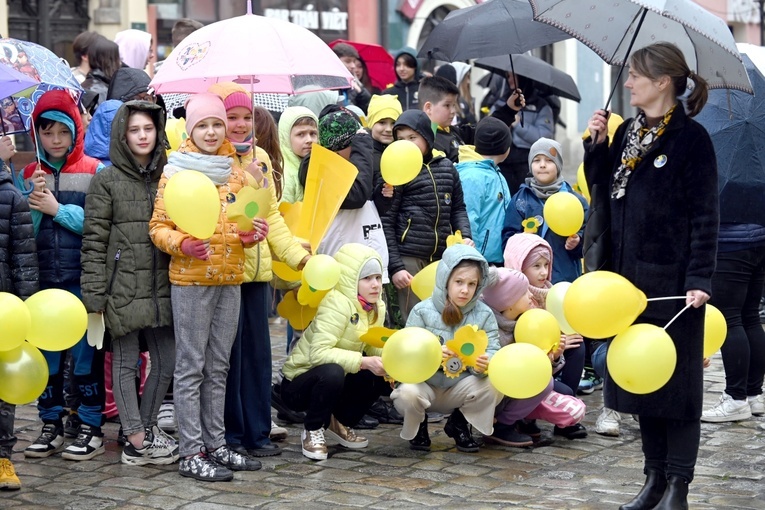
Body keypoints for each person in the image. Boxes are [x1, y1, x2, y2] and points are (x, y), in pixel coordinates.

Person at [584, 42, 719, 509]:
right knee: (642, 379)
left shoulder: (692, 139)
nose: (628, 82)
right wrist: (597, 145)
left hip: (675, 286)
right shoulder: (627, 133)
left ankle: (678, 485)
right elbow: (605, 189)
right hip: (628, 284)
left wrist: (699, 277)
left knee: (676, 386)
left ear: (663, 81)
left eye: (636, 75)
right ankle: (653, 480)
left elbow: (706, 214)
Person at [149, 93, 266, 481]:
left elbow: (237, 223)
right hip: (191, 280)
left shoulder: (235, 170)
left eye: (217, 124)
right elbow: (158, 227)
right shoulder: (176, 171)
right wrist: (181, 243)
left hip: (230, 277)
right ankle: (190, 452)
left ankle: (216, 445)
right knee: (191, 367)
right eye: (203, 125)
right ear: (190, 129)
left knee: (219, 365)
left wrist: (250, 236)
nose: (213, 131)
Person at [208, 82, 310, 458]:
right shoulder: (211, 159)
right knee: (228, 359)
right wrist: (243, 178)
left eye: (245, 117)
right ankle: (231, 434)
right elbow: (214, 215)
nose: (238, 124)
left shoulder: (262, 157)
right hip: (225, 272)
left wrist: (296, 256)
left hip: (257, 275)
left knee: (257, 357)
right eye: (231, 117)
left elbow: (270, 216)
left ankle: (258, 432)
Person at [80, 100, 178, 466]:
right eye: (134, 130)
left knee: (166, 360)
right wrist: (95, 295)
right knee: (125, 362)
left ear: (157, 132)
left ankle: (147, 428)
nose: (142, 136)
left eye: (148, 129)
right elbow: (93, 241)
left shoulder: (170, 173)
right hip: (120, 288)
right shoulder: (106, 180)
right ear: (123, 135)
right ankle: (136, 438)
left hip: (161, 285)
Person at [20, 90, 106, 461]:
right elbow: (24, 230)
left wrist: (57, 209)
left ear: (76, 132)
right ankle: (51, 422)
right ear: (37, 135)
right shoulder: (28, 173)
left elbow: (102, 227)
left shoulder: (93, 171)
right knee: (48, 359)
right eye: (47, 132)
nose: (55, 140)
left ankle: (90, 425)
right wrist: (35, 203)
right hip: (43, 282)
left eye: (62, 132)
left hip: (81, 280)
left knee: (85, 359)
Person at [279, 244, 390, 460]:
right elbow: (318, 354)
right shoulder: (336, 304)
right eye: (367, 278)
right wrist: (365, 362)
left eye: (378, 277)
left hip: (337, 378)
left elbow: (373, 346)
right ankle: (312, 430)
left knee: (380, 375)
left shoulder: (376, 306)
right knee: (334, 371)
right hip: (299, 384)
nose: (375, 285)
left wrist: (390, 364)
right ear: (351, 279)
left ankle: (338, 423)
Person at [391, 244, 502, 452]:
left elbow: (494, 348)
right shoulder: (422, 310)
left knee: (495, 384)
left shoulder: (485, 314)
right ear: (445, 280)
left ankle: (459, 423)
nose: (465, 290)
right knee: (406, 393)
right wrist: (431, 354)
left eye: (472, 284)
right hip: (425, 386)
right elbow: (405, 352)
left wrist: (484, 363)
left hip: (460, 387)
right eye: (459, 282)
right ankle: (418, 426)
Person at [381, 109, 473, 323]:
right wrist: (396, 267)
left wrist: (464, 235)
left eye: (413, 138)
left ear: (427, 137)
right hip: (409, 257)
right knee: (412, 318)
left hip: (441, 256)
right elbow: (387, 221)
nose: (407, 144)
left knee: (440, 317)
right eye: (401, 139)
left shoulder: (447, 167)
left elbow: (458, 208)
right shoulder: (397, 172)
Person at [503, 232, 587, 422]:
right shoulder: (512, 299)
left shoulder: (551, 293)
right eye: (536, 266)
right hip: (524, 368)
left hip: (550, 359)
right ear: (519, 268)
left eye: (546, 265)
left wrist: (561, 343)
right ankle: (525, 416)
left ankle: (566, 413)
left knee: (578, 346)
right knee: (563, 391)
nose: (543, 272)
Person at [0, 135, 39, 490]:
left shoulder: (10, 195)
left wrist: (25, 308)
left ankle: (3, 457)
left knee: (3, 389)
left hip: (4, 308)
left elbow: (24, 260)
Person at [502, 137, 588, 284]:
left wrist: (578, 243)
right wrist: (523, 242)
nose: (542, 165)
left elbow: (590, 240)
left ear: (559, 165)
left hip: (564, 279)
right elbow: (507, 241)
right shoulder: (521, 200)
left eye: (549, 160)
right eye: (537, 160)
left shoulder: (575, 201)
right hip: (529, 283)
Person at [455, 117, 511, 265]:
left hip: (495, 258)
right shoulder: (473, 176)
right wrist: (472, 258)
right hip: (479, 259)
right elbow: (469, 218)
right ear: (505, 148)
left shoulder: (494, 172)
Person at [491, 73, 552, 194]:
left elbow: (544, 137)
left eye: (513, 76)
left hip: (527, 164)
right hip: (503, 163)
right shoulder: (500, 103)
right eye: (507, 76)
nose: (510, 79)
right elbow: (490, 133)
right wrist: (505, 121)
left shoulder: (540, 106)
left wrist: (518, 125)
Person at [278, 106, 318, 204]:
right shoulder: (284, 175)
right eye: (301, 134)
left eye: (313, 133)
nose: (309, 140)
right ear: (286, 137)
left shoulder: (317, 166)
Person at [419, 76, 462, 164]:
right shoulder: (429, 141)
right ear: (429, 108)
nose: (453, 111)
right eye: (447, 105)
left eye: (454, 105)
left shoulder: (451, 130)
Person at [81, 36, 122, 107]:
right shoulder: (100, 91)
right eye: (117, 59)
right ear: (109, 61)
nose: (120, 63)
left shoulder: (90, 85)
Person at [332, 43, 371, 113]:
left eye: (354, 61)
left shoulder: (353, 86)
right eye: (348, 61)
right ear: (335, 61)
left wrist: (360, 90)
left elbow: (367, 108)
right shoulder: (326, 87)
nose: (353, 66)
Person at [382, 47, 423, 112]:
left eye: (406, 65)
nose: (401, 69)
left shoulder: (424, 90)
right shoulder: (388, 94)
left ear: (415, 66)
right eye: (398, 65)